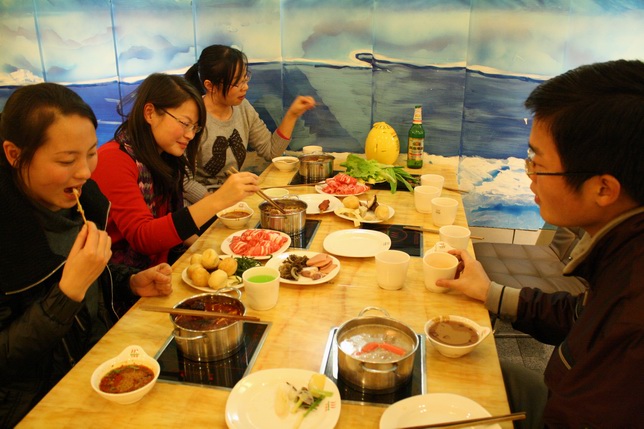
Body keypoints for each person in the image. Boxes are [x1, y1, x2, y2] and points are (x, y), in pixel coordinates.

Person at [437, 59, 644, 428]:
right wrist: (489, 292)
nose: (530, 175)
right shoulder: (621, 252)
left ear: (603, 189)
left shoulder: (633, 316)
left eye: (538, 163)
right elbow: (579, 316)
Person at [0, 83, 174, 427]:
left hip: (100, 363)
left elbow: (91, 279)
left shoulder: (78, 199)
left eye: (91, 153)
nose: (84, 172)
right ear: (14, 154)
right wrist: (67, 294)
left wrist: (129, 281)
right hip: (38, 404)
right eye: (67, 160)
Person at [92, 73, 260, 269]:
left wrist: (209, 251)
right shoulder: (113, 159)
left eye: (195, 127)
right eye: (185, 123)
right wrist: (218, 200)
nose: (190, 135)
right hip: (126, 279)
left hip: (162, 268)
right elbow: (143, 237)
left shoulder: (164, 156)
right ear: (150, 113)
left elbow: (170, 222)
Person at [183, 44, 316, 202]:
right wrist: (217, 202)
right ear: (210, 86)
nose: (245, 87)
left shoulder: (243, 107)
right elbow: (185, 182)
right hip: (203, 205)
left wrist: (292, 115)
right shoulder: (193, 117)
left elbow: (271, 151)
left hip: (234, 199)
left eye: (245, 78)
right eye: (236, 83)